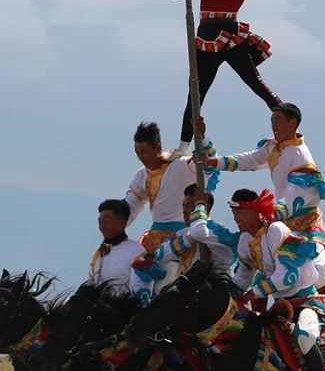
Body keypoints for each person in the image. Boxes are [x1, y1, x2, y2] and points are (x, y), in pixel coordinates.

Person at [187, 187, 325, 371]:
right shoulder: (245, 240)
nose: (236, 217)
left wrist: (252, 292)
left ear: (257, 213)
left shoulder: (276, 230)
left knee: (304, 336)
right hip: (280, 305)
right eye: (234, 212)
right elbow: (241, 278)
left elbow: (287, 277)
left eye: (241, 212)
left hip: (306, 302)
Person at [172, 0, 293, 153]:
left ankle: (290, 129)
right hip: (205, 38)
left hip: (230, 36)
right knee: (195, 92)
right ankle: (183, 146)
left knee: (256, 83)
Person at [196, 105, 325, 314]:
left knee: (314, 267)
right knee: (266, 267)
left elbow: (296, 192)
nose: (274, 126)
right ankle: (258, 319)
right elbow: (248, 159)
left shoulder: (301, 155)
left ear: (293, 123)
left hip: (306, 225)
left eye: (278, 121)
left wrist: (276, 212)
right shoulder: (273, 147)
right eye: (272, 120)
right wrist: (214, 161)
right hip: (282, 222)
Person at [129, 184, 235, 305]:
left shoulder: (217, 232)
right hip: (191, 299)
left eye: (189, 206)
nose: (184, 211)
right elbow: (161, 255)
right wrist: (187, 238)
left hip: (216, 300)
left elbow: (199, 232)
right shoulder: (183, 233)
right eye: (183, 206)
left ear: (204, 207)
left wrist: (188, 234)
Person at [123, 121, 214, 254]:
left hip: (185, 235)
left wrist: (203, 143)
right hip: (154, 238)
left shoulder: (181, 165)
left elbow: (208, 166)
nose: (140, 158)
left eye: (144, 152)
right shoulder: (142, 175)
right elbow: (129, 207)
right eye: (137, 153)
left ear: (157, 147)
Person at [87, 199, 145, 291]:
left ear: (122, 222)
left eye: (106, 221)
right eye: (100, 222)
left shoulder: (136, 252)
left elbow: (141, 290)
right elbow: (90, 285)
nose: (101, 226)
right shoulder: (98, 253)